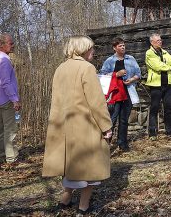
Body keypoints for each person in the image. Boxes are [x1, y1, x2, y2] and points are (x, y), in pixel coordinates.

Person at [42, 36, 112, 215]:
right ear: (83, 49)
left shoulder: (60, 68)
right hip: (85, 125)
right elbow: (96, 102)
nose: (93, 52)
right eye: (91, 48)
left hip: (63, 125)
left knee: (70, 165)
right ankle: (84, 206)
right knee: (89, 168)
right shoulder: (87, 68)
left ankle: (65, 200)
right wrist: (106, 126)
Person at [101, 37, 141, 151]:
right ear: (114, 48)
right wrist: (116, 74)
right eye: (120, 46)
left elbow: (138, 73)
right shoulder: (109, 61)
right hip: (115, 93)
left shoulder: (131, 59)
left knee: (124, 119)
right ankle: (106, 145)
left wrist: (132, 79)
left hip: (128, 91)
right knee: (112, 119)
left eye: (123, 45)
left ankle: (122, 143)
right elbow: (103, 76)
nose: (123, 47)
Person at [145, 33, 171, 139]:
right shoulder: (149, 53)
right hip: (156, 85)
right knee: (155, 108)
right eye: (158, 40)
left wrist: (166, 64)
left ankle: (169, 131)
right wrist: (168, 66)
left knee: (168, 107)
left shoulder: (164, 52)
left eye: (160, 40)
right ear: (152, 42)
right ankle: (153, 133)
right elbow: (157, 66)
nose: (160, 41)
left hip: (167, 84)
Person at [0, 33, 21, 164]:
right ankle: (11, 159)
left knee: (0, 130)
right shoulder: (5, 60)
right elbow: (5, 82)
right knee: (10, 130)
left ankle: (1, 156)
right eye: (10, 43)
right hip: (6, 100)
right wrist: (14, 99)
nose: (13, 45)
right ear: (1, 45)